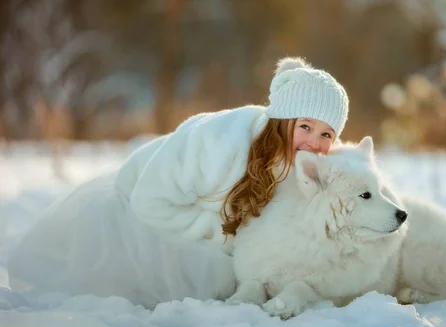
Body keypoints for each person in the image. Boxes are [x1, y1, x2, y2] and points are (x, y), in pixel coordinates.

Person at [7, 57, 349, 308]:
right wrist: (218, 234)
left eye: (326, 134)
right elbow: (149, 201)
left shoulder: (300, 166)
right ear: (283, 118)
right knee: (210, 276)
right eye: (305, 126)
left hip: (199, 225)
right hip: (139, 217)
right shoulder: (220, 140)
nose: (314, 143)